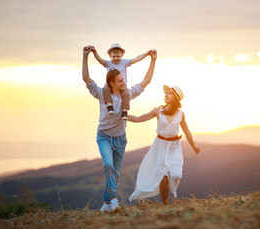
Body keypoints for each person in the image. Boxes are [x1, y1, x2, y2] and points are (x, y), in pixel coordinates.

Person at [82, 45, 157, 212]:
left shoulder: (127, 94)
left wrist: (153, 60)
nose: (124, 82)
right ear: (112, 83)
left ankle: (107, 202)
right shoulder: (102, 94)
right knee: (108, 165)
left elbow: (146, 81)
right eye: (121, 80)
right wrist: (85, 56)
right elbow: (86, 79)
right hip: (104, 137)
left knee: (115, 173)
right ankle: (113, 199)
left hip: (120, 139)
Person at [128, 85, 200, 204]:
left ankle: (172, 189)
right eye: (166, 93)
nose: (166, 95)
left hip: (174, 146)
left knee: (176, 174)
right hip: (160, 145)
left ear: (176, 98)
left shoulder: (181, 114)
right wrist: (124, 116)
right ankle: (165, 203)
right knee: (163, 175)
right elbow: (139, 118)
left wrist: (193, 146)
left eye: (169, 93)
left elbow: (187, 131)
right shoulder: (158, 111)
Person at [90, 43, 151, 120]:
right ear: (110, 56)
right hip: (110, 84)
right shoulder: (109, 63)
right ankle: (109, 105)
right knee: (105, 89)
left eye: (118, 56)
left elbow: (136, 59)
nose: (116, 58)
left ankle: (124, 111)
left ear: (122, 55)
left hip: (122, 85)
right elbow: (100, 60)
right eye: (113, 57)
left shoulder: (124, 62)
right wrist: (94, 52)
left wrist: (146, 54)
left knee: (126, 94)